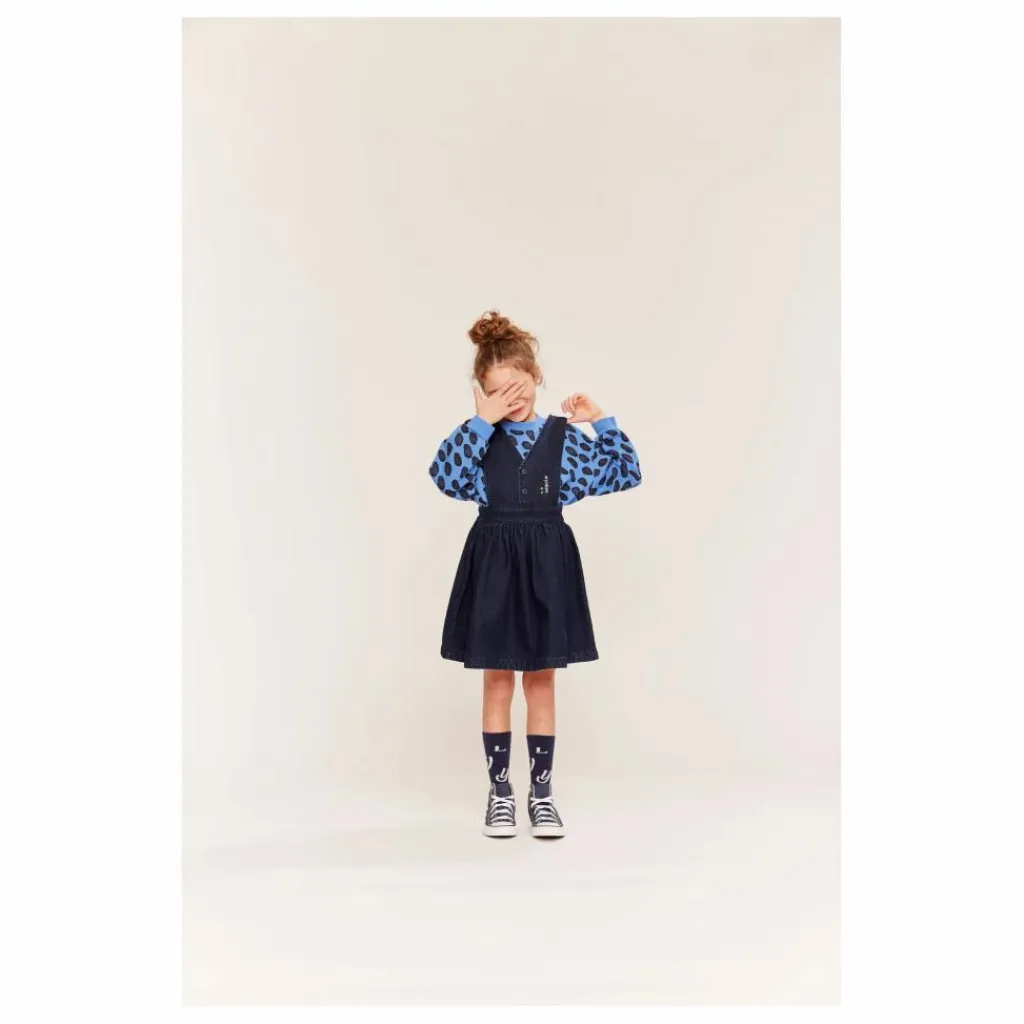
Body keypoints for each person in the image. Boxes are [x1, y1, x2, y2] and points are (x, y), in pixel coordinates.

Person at [429, 310, 642, 839]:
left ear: (536, 377)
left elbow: (626, 472)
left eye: (518, 388)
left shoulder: (562, 440)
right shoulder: (478, 441)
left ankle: (541, 794)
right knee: (498, 677)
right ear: (481, 394)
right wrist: (480, 422)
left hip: (547, 564)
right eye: (497, 393)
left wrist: (599, 419)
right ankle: (499, 792)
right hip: (494, 565)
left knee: (542, 680)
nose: (511, 401)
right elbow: (445, 477)